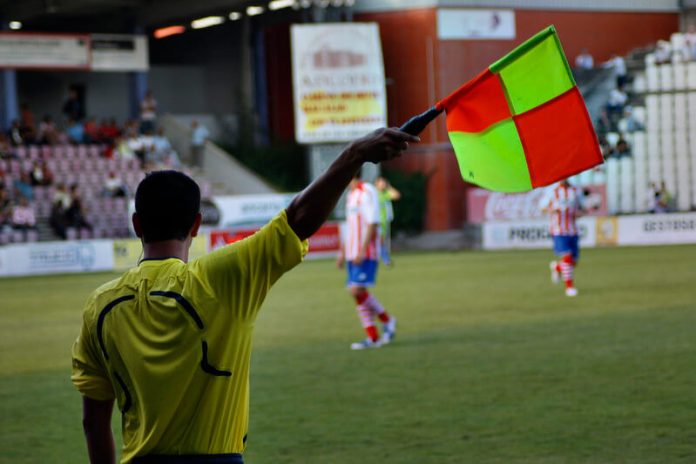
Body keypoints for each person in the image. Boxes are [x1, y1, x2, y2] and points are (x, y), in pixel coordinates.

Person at [70, 127, 418, 463]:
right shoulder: (220, 279)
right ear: (196, 225)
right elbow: (298, 217)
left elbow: (94, 421)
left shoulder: (100, 306)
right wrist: (355, 154)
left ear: (137, 225)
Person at [337, 173, 398, 350]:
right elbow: (350, 226)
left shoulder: (368, 191)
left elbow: (373, 223)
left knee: (355, 289)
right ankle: (377, 333)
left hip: (365, 252)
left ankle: (384, 325)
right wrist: (342, 252)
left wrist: (362, 250)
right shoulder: (351, 195)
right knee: (357, 292)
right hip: (352, 252)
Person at [543, 179, 584, 297]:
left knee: (573, 262)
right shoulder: (551, 190)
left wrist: (580, 213)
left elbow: (582, 208)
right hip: (558, 230)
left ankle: (557, 267)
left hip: (573, 229)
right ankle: (569, 288)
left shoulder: (575, 190)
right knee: (567, 257)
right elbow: (542, 207)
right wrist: (553, 210)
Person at [375, 175, 400, 266]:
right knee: (379, 241)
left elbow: (397, 195)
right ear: (376, 184)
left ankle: (383, 259)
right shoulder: (374, 194)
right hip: (376, 222)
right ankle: (386, 260)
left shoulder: (385, 194)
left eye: (384, 183)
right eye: (381, 183)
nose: (383, 184)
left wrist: (389, 187)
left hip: (384, 222)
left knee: (378, 241)